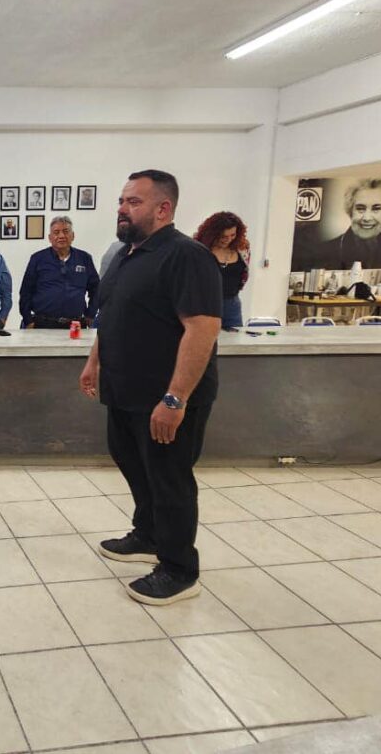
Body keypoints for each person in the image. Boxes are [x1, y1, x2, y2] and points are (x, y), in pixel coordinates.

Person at [78, 170, 221, 606]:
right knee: (133, 464)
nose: (122, 209)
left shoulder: (187, 256)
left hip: (165, 397)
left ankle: (179, 569)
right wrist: (93, 362)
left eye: (133, 202)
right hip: (124, 392)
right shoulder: (125, 255)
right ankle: (148, 534)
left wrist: (175, 399)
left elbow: (202, 329)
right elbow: (111, 315)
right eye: (121, 201)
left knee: (169, 479)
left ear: (163, 208)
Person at [19, 216, 100, 329]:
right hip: (42, 324)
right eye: (56, 232)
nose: (61, 236)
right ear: (50, 238)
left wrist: (90, 314)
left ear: (73, 235)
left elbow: (96, 289)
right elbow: (25, 292)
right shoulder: (38, 259)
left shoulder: (84, 258)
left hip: (75, 325)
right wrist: (28, 320)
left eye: (66, 231)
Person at [310, 178, 381, 269]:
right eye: (360, 208)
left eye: (376, 208)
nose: (367, 218)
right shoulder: (324, 251)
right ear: (350, 212)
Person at [194, 212, 250, 331]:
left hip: (232, 304)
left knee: (234, 340)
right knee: (206, 338)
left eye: (232, 235)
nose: (228, 239)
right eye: (223, 236)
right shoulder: (198, 249)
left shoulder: (242, 248)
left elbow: (243, 274)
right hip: (205, 305)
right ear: (213, 234)